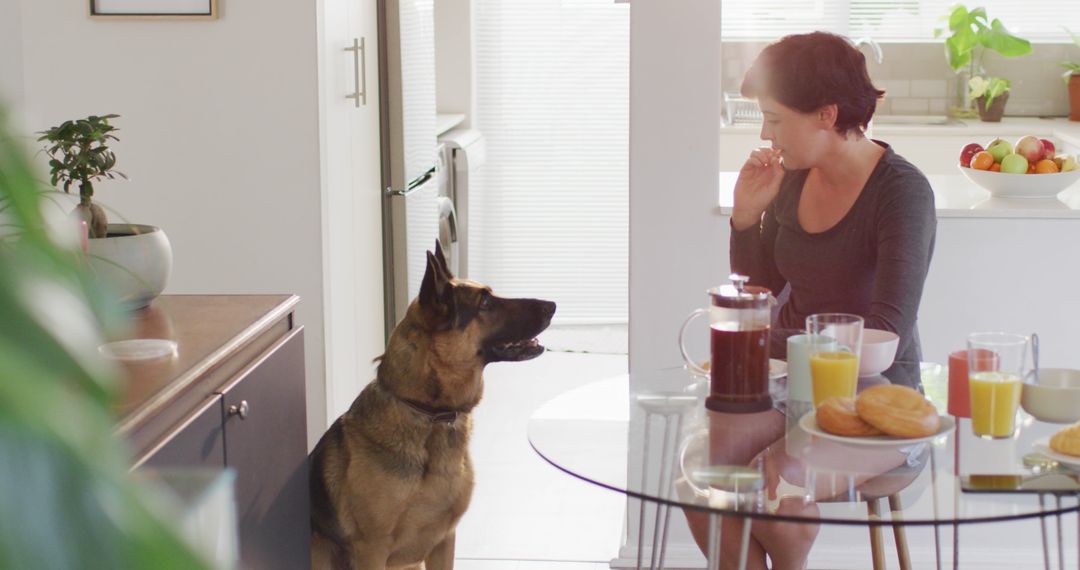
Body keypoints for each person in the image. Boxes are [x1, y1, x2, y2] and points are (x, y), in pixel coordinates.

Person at [682, 31, 937, 569]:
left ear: (826, 115)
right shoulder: (794, 179)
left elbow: (882, 340)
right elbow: (761, 291)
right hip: (787, 389)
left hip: (875, 404)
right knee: (700, 477)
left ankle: (791, 551)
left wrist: (773, 340)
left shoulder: (901, 193)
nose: (765, 133)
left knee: (774, 485)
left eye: (775, 119)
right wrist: (746, 218)